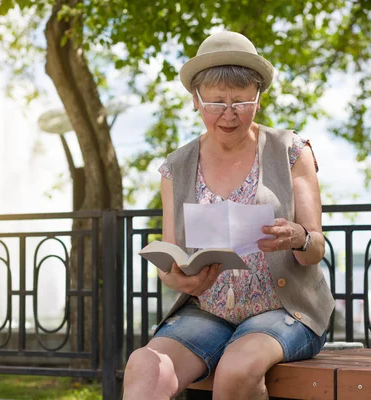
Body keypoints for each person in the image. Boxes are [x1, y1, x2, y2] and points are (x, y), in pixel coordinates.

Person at [123, 31, 335, 400]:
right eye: (216, 102)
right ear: (195, 100)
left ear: (259, 98)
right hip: (207, 311)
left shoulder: (291, 151)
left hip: (283, 311)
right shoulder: (176, 165)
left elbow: (315, 247)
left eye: (240, 101)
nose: (229, 114)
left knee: (236, 370)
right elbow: (172, 255)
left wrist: (298, 237)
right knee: (145, 365)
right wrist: (177, 279)